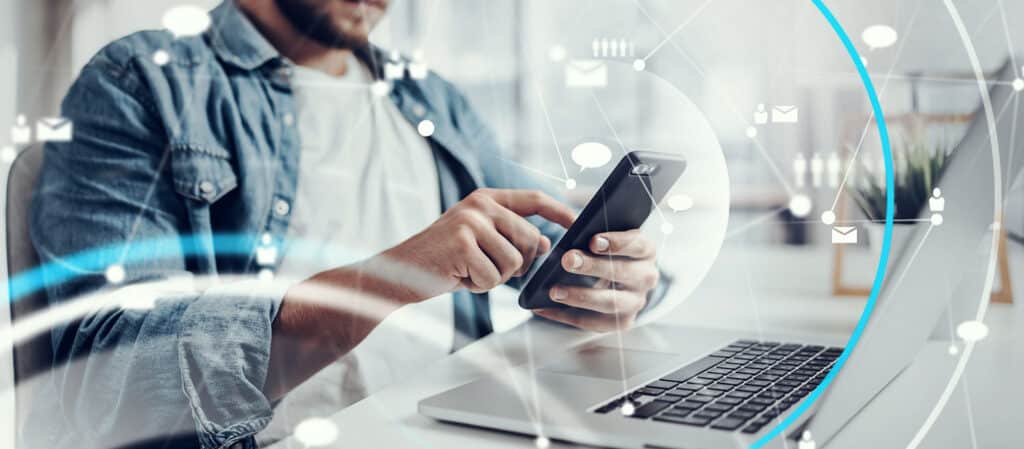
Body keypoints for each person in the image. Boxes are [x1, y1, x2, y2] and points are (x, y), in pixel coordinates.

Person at [26, 1, 669, 448]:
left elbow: (563, 259)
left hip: (450, 429)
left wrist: (614, 279)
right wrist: (390, 278)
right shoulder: (142, 81)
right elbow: (106, 376)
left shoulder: (432, 100)